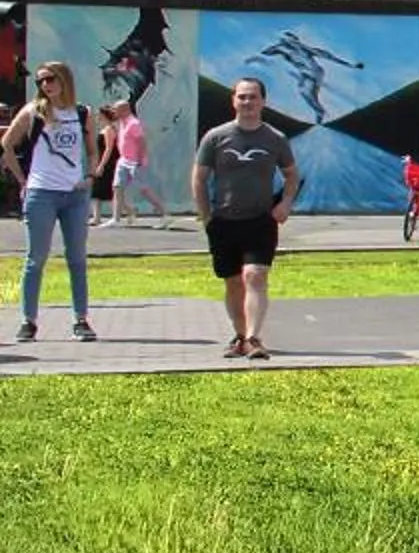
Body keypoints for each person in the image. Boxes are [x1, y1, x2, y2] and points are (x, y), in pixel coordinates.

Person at [193, 76, 300, 361]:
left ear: (263, 101)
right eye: (242, 96)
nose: (247, 102)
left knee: (255, 274)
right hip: (223, 221)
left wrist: (285, 203)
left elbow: (292, 175)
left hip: (260, 221)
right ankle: (239, 336)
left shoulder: (275, 139)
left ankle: (254, 338)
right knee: (233, 282)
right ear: (233, 101)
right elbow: (199, 178)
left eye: (253, 96)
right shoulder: (216, 137)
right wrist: (206, 217)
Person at [4, 61, 104, 342]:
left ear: (63, 79)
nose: (45, 85)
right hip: (42, 193)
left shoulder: (82, 113)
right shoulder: (34, 111)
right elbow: (7, 144)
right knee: (36, 258)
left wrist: (90, 176)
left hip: (75, 194)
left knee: (77, 258)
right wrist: (23, 181)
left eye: (50, 79)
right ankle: (28, 321)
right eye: (40, 81)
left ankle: (81, 319)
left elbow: (92, 151)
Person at [104, 95, 167, 228]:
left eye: (116, 110)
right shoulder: (122, 123)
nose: (114, 112)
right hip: (123, 160)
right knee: (117, 187)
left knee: (144, 189)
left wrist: (140, 159)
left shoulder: (133, 123)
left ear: (125, 110)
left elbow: (141, 141)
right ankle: (116, 219)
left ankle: (164, 215)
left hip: (134, 162)